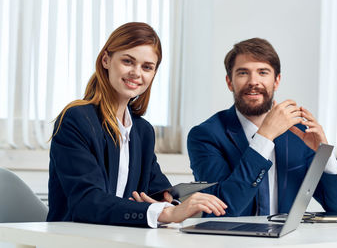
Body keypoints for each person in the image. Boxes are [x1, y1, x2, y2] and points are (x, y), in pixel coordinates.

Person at [47, 22, 227, 228]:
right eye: (127, 61)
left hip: (119, 238)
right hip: (73, 238)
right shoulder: (77, 119)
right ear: (106, 60)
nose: (136, 73)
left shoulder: (142, 131)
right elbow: (87, 202)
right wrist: (165, 214)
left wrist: (171, 202)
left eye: (147, 67)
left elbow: (158, 190)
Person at [187, 38, 337, 217]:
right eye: (243, 73)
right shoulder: (205, 135)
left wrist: (324, 155)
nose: (253, 81)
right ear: (229, 82)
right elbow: (223, 209)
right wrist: (264, 138)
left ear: (276, 81)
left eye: (263, 72)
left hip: (287, 243)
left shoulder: (299, 134)